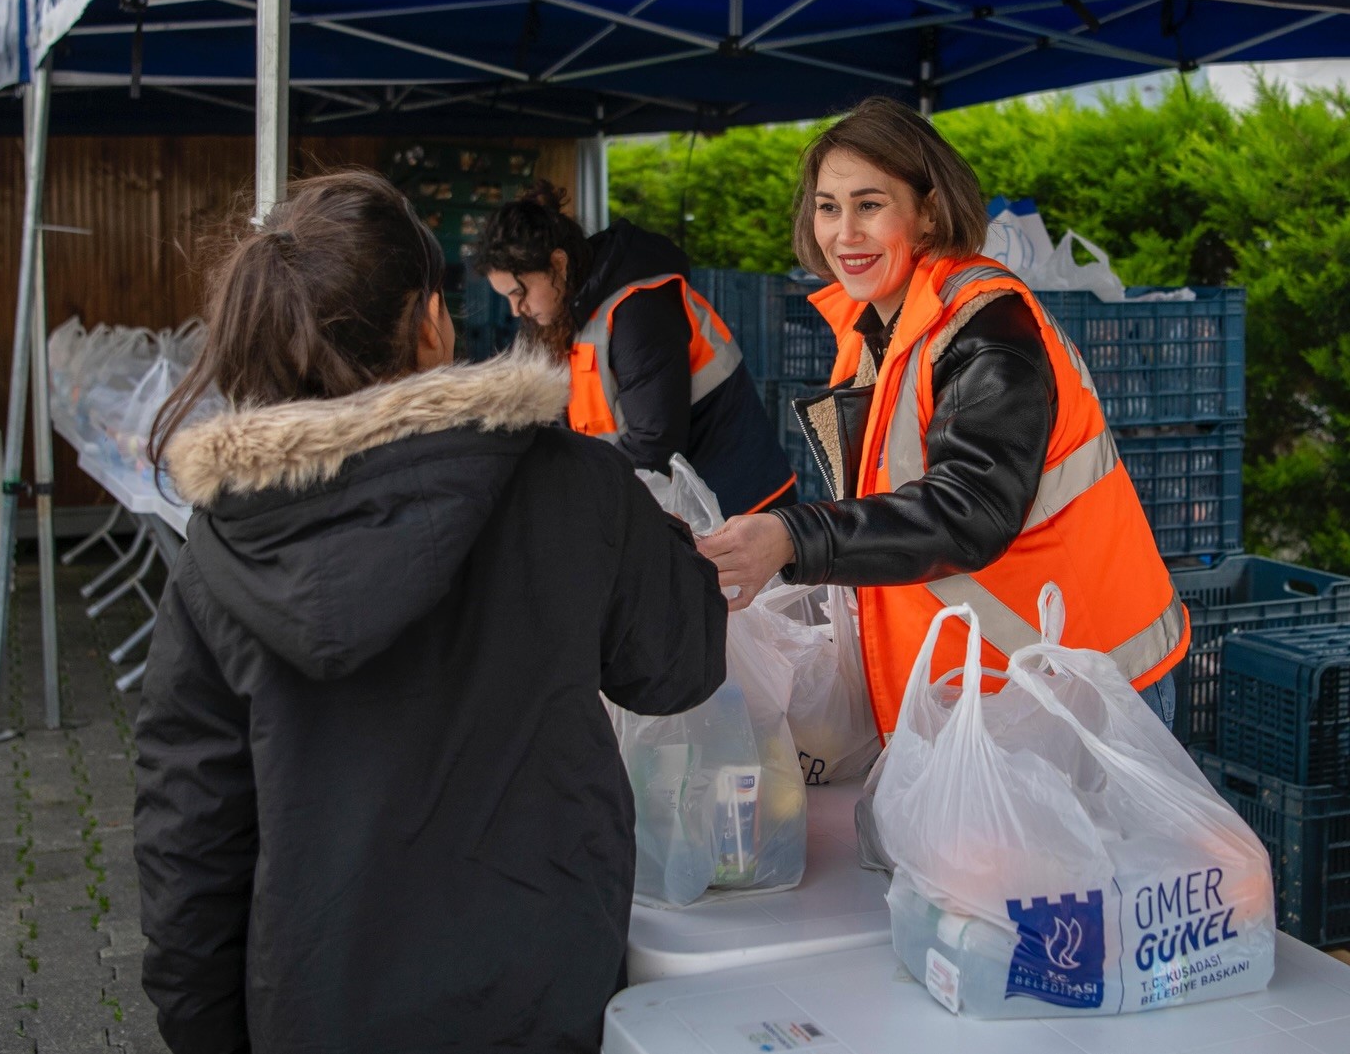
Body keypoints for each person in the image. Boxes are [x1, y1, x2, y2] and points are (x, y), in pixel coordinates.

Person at [133, 170, 728, 1054]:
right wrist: (671, 547)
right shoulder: (570, 480)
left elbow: (190, 837)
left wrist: (203, 1030)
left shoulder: (225, 543)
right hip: (548, 981)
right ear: (429, 323)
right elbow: (681, 663)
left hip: (320, 996)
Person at [696, 97, 1188, 737]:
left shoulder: (986, 330)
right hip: (998, 696)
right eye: (828, 207)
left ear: (928, 212)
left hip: (1085, 698)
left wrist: (795, 538)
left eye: (869, 205)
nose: (844, 232)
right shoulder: (876, 326)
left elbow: (969, 511)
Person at [474, 182, 797, 517]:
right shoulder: (574, 312)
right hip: (691, 508)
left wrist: (573, 492)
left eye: (519, 292)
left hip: (741, 508)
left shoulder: (638, 309)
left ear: (558, 264)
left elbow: (653, 443)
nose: (516, 310)